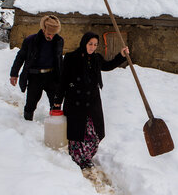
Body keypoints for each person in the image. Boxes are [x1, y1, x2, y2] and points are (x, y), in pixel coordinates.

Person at [54, 32, 128, 169]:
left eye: (95, 45)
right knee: (77, 133)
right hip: (75, 101)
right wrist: (57, 101)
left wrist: (121, 55)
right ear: (84, 43)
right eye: (90, 44)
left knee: (95, 133)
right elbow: (63, 80)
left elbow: (108, 66)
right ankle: (77, 159)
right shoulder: (71, 57)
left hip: (92, 101)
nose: (93, 47)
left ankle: (86, 157)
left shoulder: (96, 58)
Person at [10, 15, 64, 121]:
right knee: (31, 103)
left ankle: (54, 126)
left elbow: (59, 60)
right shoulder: (31, 40)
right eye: (49, 34)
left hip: (52, 76)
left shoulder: (59, 41)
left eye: (54, 34)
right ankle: (26, 123)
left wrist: (63, 77)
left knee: (56, 104)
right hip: (35, 76)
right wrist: (14, 74)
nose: (51, 36)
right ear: (43, 29)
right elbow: (20, 57)